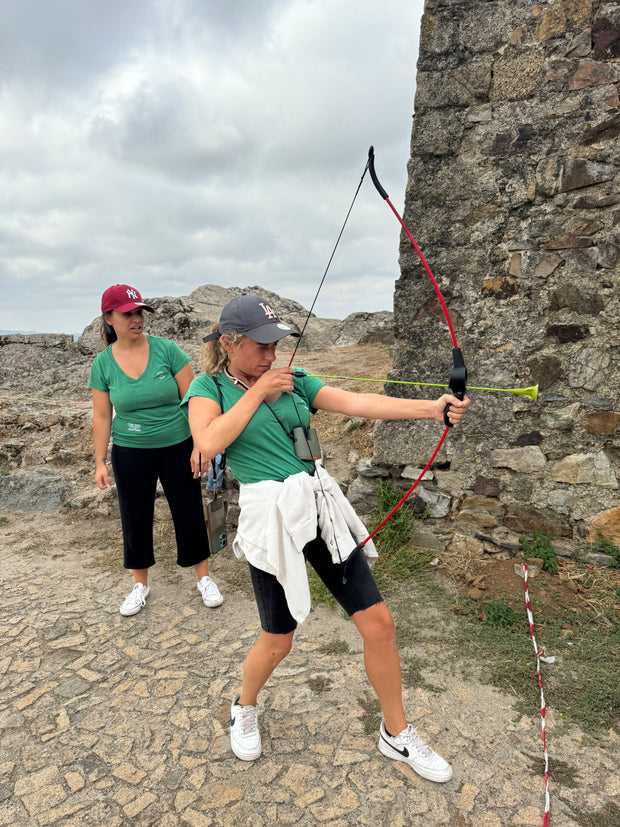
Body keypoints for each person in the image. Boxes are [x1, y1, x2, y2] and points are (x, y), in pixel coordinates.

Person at [183, 293, 470, 781]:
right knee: (278, 640)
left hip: (318, 507)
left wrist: (432, 408)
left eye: (276, 345)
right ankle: (244, 705)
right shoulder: (209, 388)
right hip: (271, 517)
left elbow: (359, 402)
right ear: (230, 343)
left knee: (378, 622)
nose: (272, 355)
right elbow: (207, 443)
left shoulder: (295, 382)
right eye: (261, 346)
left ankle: (396, 734)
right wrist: (256, 392)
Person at [89, 283, 223, 616]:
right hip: (130, 450)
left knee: (189, 510)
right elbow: (102, 415)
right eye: (127, 314)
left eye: (139, 313)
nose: (136, 320)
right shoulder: (102, 364)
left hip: (178, 446)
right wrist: (99, 461)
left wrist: (199, 445)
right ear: (108, 317)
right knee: (135, 516)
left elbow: (195, 400)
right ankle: (140, 585)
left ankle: (204, 578)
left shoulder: (167, 350)